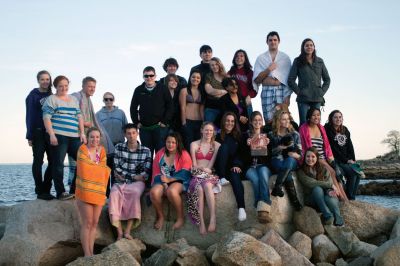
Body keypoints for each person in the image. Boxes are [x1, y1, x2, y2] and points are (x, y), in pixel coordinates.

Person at [42, 75, 86, 200]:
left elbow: (79, 117)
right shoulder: (51, 99)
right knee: (58, 165)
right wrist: (51, 134)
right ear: (55, 86)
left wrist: (82, 133)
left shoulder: (73, 99)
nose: (63, 88)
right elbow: (46, 117)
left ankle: (74, 190)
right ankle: (61, 193)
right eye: (60, 86)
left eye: (66, 85)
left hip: (74, 137)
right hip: (58, 136)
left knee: (84, 160)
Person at [70, 77, 114, 194]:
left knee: (85, 163)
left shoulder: (88, 100)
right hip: (77, 136)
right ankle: (74, 190)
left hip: (85, 137)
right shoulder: (76, 96)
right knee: (82, 162)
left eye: (94, 87)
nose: (92, 89)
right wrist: (84, 123)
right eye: (89, 86)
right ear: (83, 86)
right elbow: (69, 113)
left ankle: (81, 190)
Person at [109, 124, 151, 240]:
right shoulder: (119, 147)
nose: (131, 136)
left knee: (135, 194)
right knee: (113, 194)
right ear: (125, 135)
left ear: (137, 133)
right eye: (129, 133)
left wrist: (128, 176)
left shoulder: (146, 151)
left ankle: (127, 231)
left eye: (133, 133)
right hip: (120, 181)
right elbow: (117, 168)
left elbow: (145, 173)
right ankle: (119, 233)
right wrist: (133, 176)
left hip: (136, 184)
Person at [298, 108, 348, 201]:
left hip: (325, 158)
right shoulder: (303, 128)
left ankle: (344, 197)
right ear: (309, 116)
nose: (316, 117)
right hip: (313, 158)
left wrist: (332, 161)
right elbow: (303, 147)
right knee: (332, 172)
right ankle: (341, 198)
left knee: (338, 174)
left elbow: (327, 146)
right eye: (313, 115)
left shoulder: (321, 127)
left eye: (318, 115)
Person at [75, 127, 111, 256]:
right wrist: (98, 170)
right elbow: (84, 170)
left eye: (97, 137)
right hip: (85, 191)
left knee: (95, 223)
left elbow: (104, 169)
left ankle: (91, 252)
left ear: (100, 138)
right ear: (87, 137)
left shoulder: (102, 151)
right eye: (92, 137)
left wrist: (95, 169)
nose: (94, 139)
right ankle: (87, 254)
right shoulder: (82, 150)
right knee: (87, 223)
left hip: (99, 192)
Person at [150, 132, 192, 230]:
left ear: (178, 143)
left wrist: (170, 180)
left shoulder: (184, 154)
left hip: (179, 179)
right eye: (168, 142)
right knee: (154, 192)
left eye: (173, 142)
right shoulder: (160, 153)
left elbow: (186, 172)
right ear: (165, 142)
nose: (170, 144)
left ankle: (180, 218)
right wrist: (165, 182)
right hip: (162, 180)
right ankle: (161, 216)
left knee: (171, 191)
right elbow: (156, 171)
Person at [130, 66, 173, 158]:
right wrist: (136, 122)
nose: (149, 78)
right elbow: (133, 107)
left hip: (160, 127)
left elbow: (170, 105)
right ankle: (148, 173)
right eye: (146, 76)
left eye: (151, 75)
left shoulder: (163, 88)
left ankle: (160, 172)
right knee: (146, 155)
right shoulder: (138, 90)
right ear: (143, 77)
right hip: (145, 129)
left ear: (155, 76)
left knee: (161, 153)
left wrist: (165, 121)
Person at [187, 122, 221, 235]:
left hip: (209, 174)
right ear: (201, 130)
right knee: (199, 189)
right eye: (206, 130)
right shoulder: (194, 144)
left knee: (207, 185)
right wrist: (201, 168)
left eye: (211, 130)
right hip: (197, 173)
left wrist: (207, 170)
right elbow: (194, 164)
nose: (208, 132)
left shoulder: (216, 145)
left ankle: (213, 218)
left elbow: (211, 166)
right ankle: (201, 222)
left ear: (214, 132)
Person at [25, 70, 54, 200]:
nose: (45, 81)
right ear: (38, 80)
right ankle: (39, 190)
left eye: (47, 79)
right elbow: (29, 116)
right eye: (42, 79)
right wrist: (29, 135)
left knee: (53, 161)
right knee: (38, 161)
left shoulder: (51, 95)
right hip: (37, 132)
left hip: (51, 132)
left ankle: (46, 189)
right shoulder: (32, 96)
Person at [288, 38, 331, 125]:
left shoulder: (320, 61)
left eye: (311, 45)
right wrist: (299, 92)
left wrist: (321, 92)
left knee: (316, 123)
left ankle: (315, 139)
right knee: (304, 123)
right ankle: (303, 139)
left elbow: (327, 79)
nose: (309, 47)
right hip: (303, 98)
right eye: (307, 45)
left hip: (317, 97)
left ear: (314, 47)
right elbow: (291, 80)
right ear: (303, 47)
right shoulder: (297, 61)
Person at [297, 147, 344, 226]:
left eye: (313, 156)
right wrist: (330, 185)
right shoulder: (300, 171)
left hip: (325, 196)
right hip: (312, 200)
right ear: (304, 157)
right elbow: (311, 183)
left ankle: (338, 219)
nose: (310, 159)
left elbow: (329, 181)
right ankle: (328, 215)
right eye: (308, 156)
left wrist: (330, 190)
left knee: (329, 197)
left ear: (317, 158)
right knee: (317, 189)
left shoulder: (323, 169)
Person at [253, 31, 292, 124]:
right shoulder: (261, 58)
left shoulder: (285, 58)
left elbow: (289, 79)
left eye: (275, 40)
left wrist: (288, 96)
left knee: (282, 120)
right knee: (269, 120)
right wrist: (269, 69)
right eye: (270, 40)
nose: (273, 42)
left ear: (279, 41)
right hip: (267, 91)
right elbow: (257, 79)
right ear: (267, 42)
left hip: (281, 91)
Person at [268, 110, 303, 210]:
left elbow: (301, 153)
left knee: (288, 162)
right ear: (278, 120)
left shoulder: (295, 134)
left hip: (291, 160)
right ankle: (294, 201)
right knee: (285, 169)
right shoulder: (271, 135)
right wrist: (279, 148)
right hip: (276, 159)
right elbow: (269, 153)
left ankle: (278, 186)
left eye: (288, 119)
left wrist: (295, 155)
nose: (287, 121)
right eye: (284, 119)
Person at [215, 112, 247, 221]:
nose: (230, 123)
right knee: (223, 147)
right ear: (223, 122)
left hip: (233, 166)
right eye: (227, 120)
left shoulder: (239, 136)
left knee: (235, 175)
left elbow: (242, 154)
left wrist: (237, 165)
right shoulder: (217, 136)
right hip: (220, 169)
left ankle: (241, 208)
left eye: (232, 121)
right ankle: (222, 177)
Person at [243, 111, 272, 223]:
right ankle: (259, 207)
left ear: (262, 122)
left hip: (263, 165)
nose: (257, 122)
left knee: (263, 174)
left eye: (259, 120)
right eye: (255, 120)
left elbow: (270, 157)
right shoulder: (246, 135)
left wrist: (268, 146)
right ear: (251, 121)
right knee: (255, 180)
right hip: (250, 166)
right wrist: (247, 146)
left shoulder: (266, 135)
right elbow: (242, 157)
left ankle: (264, 209)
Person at [324, 110, 361, 200]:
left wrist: (353, 160)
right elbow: (333, 149)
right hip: (335, 160)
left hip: (346, 160)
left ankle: (351, 197)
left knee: (358, 173)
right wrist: (346, 160)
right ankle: (348, 197)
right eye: (335, 117)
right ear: (331, 119)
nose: (338, 119)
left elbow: (350, 145)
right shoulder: (327, 130)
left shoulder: (345, 129)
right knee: (351, 173)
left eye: (340, 117)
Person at [179, 70, 204, 150]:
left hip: (199, 122)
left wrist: (203, 122)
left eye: (198, 78)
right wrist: (183, 122)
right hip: (188, 121)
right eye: (193, 77)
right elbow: (182, 107)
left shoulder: (202, 92)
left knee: (198, 147)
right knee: (188, 145)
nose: (195, 79)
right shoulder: (184, 90)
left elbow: (201, 108)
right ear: (190, 78)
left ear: (200, 79)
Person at [227, 49, 257, 116]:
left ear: (245, 58)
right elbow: (225, 85)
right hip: (233, 101)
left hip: (245, 102)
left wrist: (249, 96)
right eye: (237, 56)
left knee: (248, 123)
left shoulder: (250, 73)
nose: (239, 58)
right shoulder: (230, 72)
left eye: (241, 56)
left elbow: (255, 88)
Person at [204, 57, 228, 123]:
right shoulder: (209, 76)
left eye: (216, 64)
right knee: (209, 129)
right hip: (211, 108)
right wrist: (223, 91)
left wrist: (216, 92)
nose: (214, 66)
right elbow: (209, 91)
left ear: (220, 65)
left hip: (225, 108)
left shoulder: (226, 77)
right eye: (212, 65)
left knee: (222, 130)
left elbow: (230, 93)